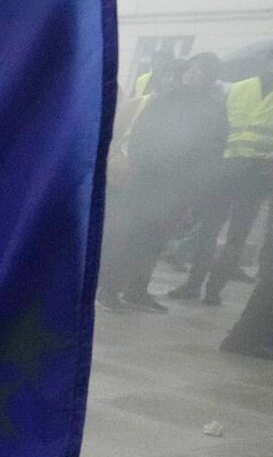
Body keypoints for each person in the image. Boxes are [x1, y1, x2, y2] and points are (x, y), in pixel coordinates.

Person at [97, 55, 228, 313]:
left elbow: (214, 148)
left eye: (203, 71)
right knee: (127, 235)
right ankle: (108, 289)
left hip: (178, 186)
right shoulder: (163, 100)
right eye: (192, 68)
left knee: (155, 240)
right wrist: (140, 166)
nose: (195, 74)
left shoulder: (213, 109)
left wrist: (198, 184)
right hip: (145, 180)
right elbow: (140, 138)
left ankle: (137, 290)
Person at [170, 52, 272, 305]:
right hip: (225, 169)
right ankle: (194, 283)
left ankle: (214, 289)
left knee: (237, 236)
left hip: (257, 175)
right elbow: (217, 127)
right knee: (209, 229)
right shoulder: (238, 89)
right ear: (265, 62)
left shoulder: (238, 88)